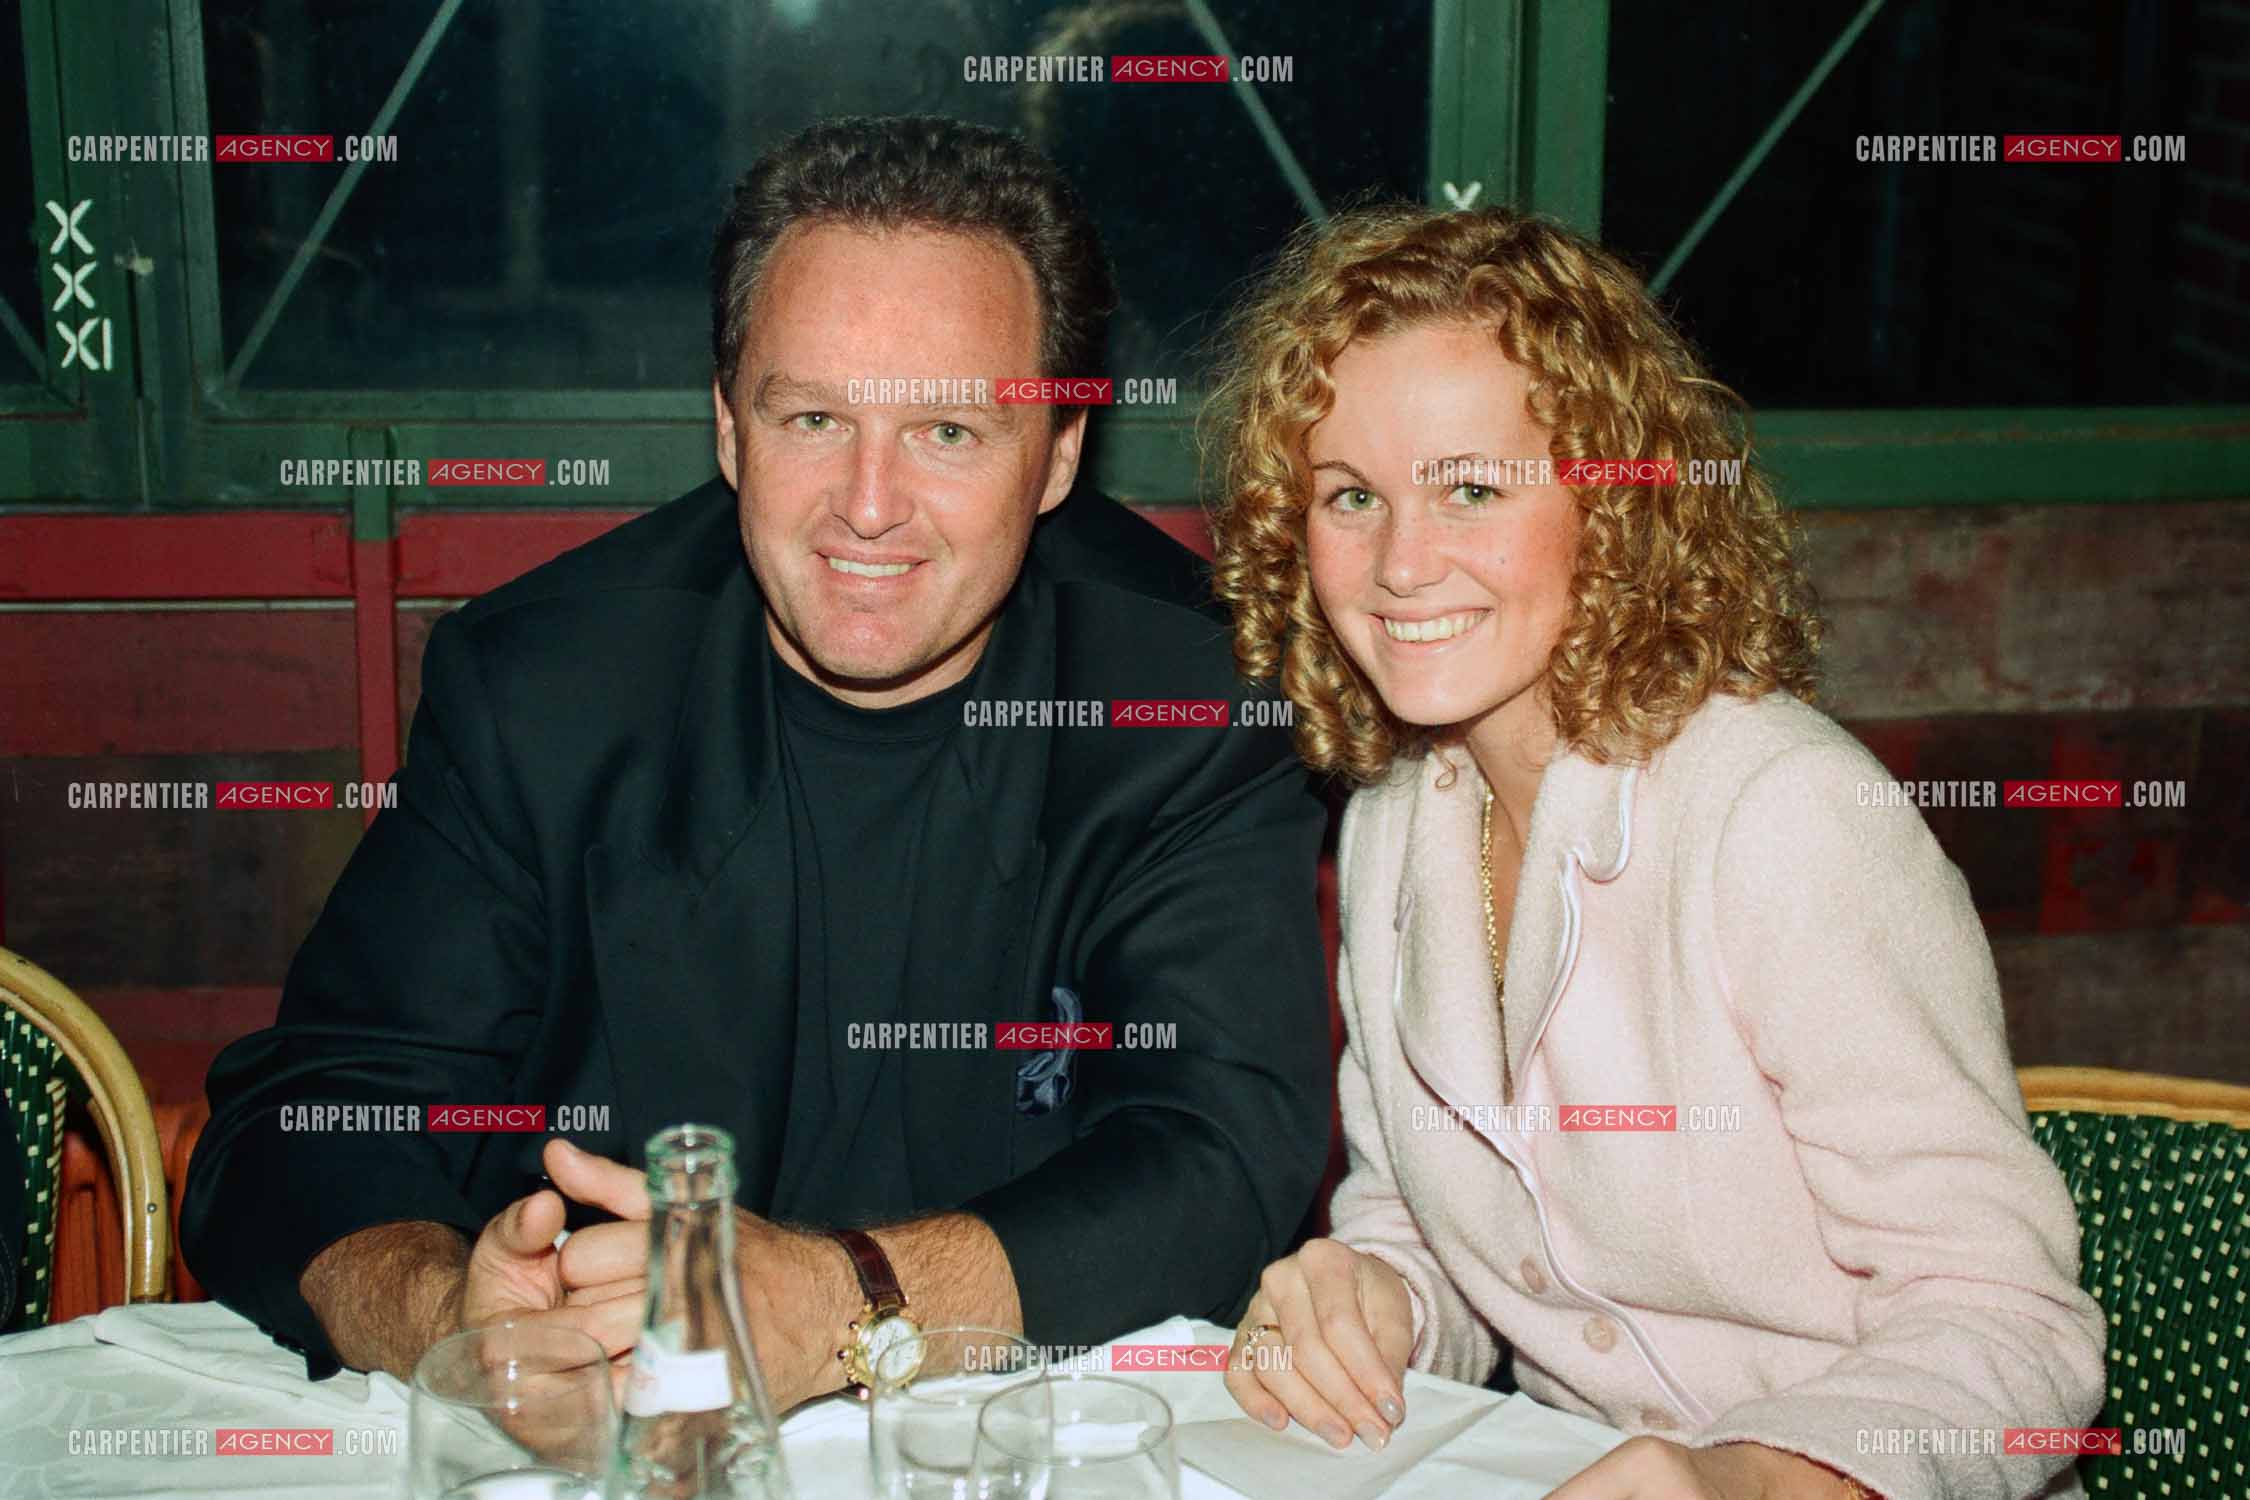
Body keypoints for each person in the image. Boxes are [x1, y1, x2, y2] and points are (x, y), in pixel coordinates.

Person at [181, 115, 1333, 1404]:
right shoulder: (545, 689)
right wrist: (449, 1313)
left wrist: (847, 1304)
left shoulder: (1190, 698)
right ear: (729, 426)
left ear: (1060, 452)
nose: (870, 503)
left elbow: (1223, 1149)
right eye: (813, 418)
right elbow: (307, 1120)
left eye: (949, 431)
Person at [1206, 205, 2105, 1499]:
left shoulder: (1784, 819)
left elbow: (2013, 1326)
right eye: (1351, 496)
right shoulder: (1394, 813)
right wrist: (1373, 1303)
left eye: (1469, 487)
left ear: (1612, 505)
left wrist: (1737, 1478)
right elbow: (1445, 1244)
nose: (1399, 564)